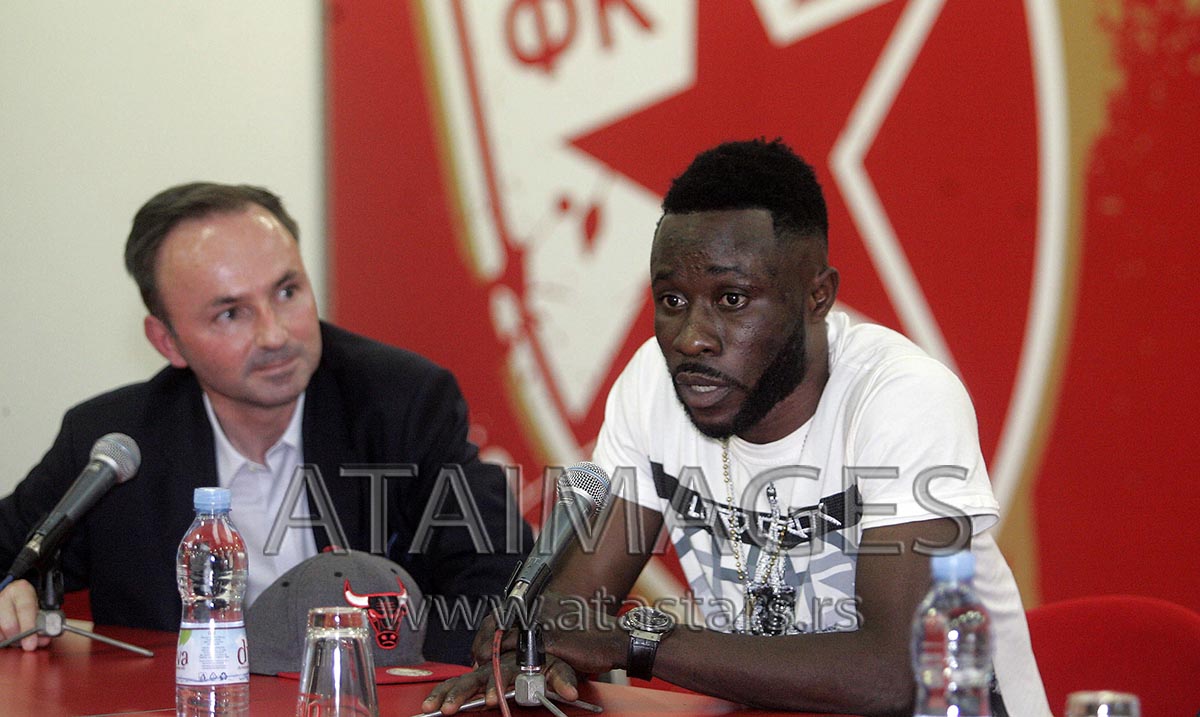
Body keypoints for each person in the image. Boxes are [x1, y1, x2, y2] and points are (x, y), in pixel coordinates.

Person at [423, 139, 1052, 716]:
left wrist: (635, 642)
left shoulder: (901, 396)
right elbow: (577, 607)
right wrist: (535, 650)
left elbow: (892, 676)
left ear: (818, 297)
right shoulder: (653, 386)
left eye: (732, 299)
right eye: (672, 301)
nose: (692, 338)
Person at [0, 182, 530, 664]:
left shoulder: (402, 403)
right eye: (231, 313)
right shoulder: (117, 442)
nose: (276, 335)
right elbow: (14, 557)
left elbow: (500, 582)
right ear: (167, 341)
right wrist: (12, 594)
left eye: (287, 292)